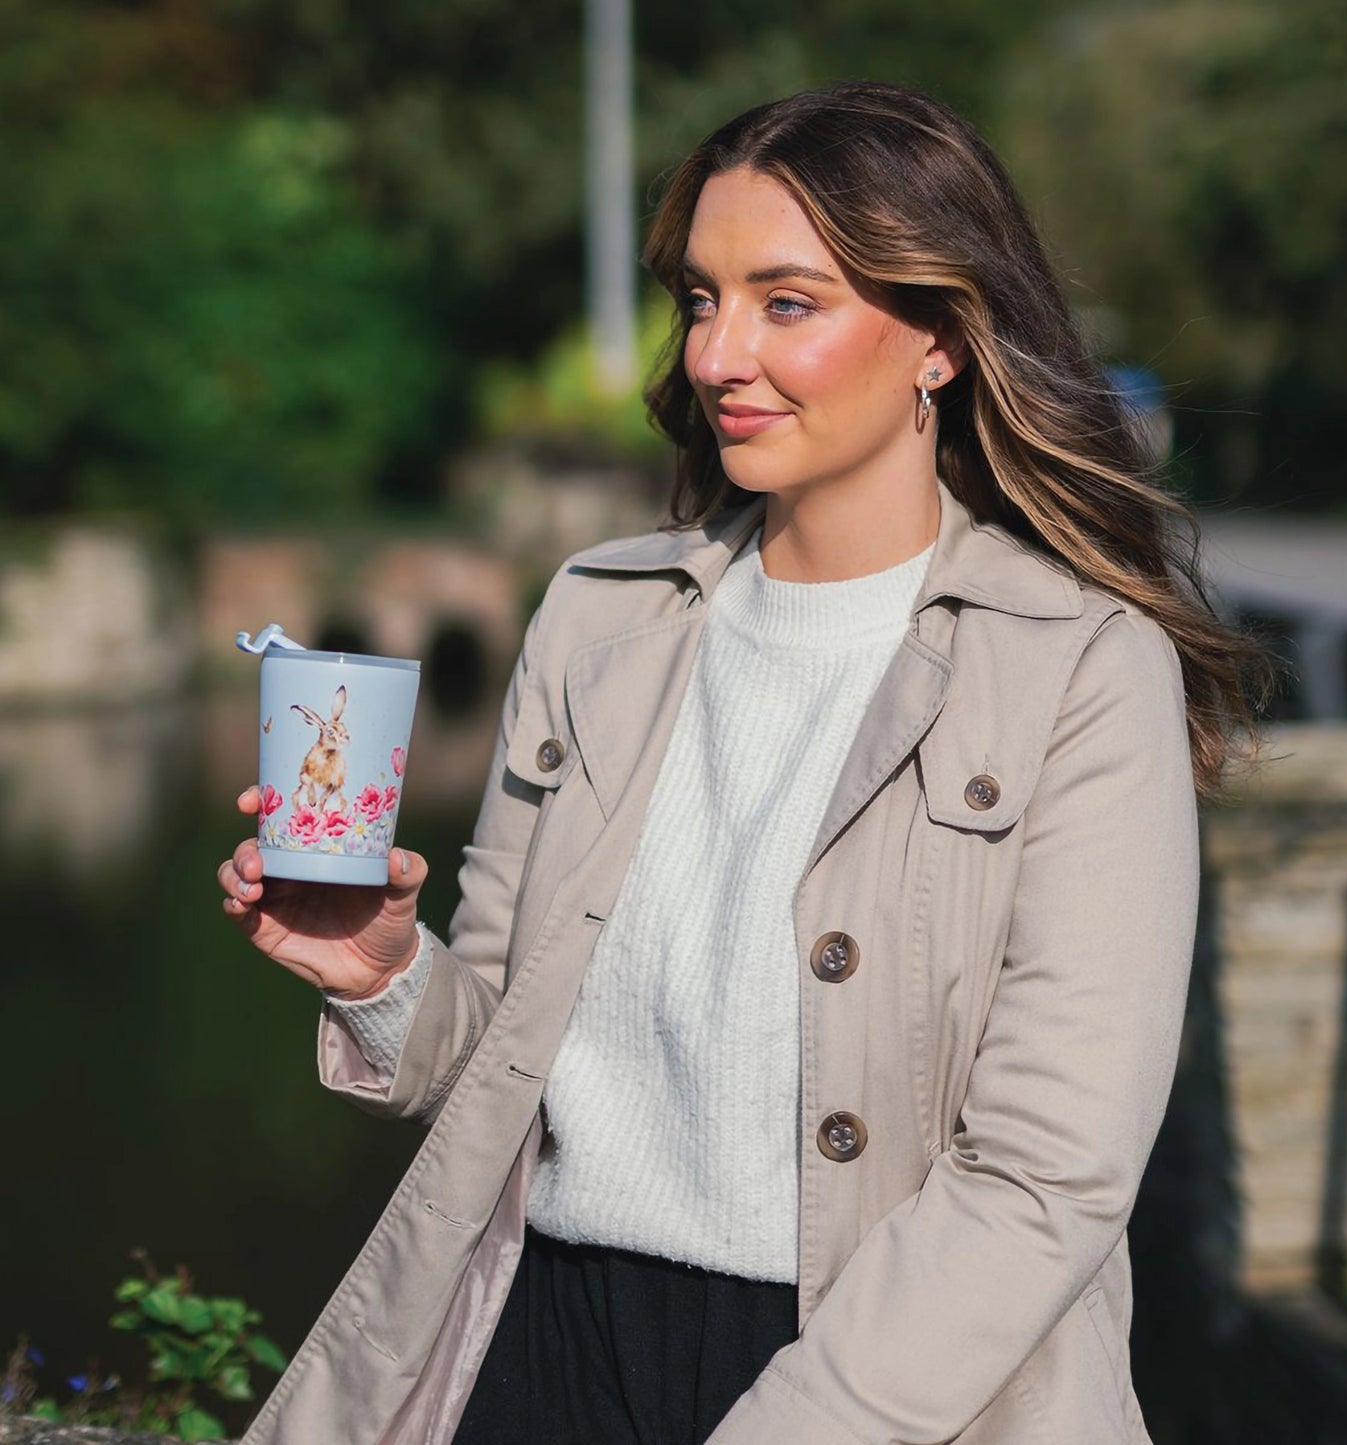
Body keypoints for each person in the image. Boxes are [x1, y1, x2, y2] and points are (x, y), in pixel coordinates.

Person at [221, 81, 1268, 1445]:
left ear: (939, 337)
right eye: (701, 299)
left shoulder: (1077, 667)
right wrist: (381, 975)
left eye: (787, 302)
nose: (718, 354)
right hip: (542, 1348)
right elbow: (494, 1062)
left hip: (887, 1388)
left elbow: (1045, 1179)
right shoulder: (599, 612)